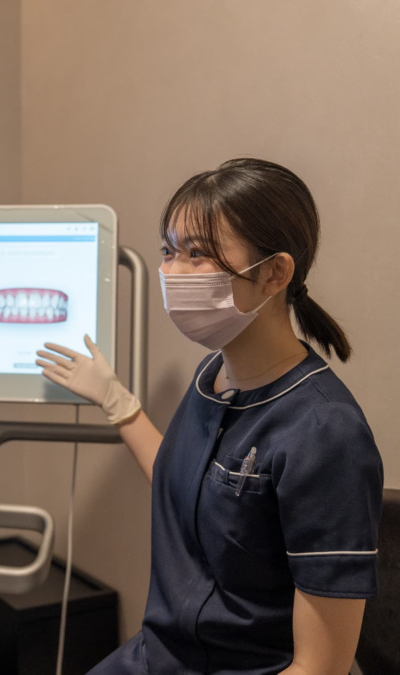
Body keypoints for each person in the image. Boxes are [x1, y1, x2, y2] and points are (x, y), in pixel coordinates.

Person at [37, 158, 382, 674]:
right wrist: (118, 403)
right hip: (163, 656)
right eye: (169, 251)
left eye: (197, 255)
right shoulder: (213, 376)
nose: (172, 273)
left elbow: (320, 667)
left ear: (274, 273)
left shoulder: (323, 432)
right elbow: (192, 489)